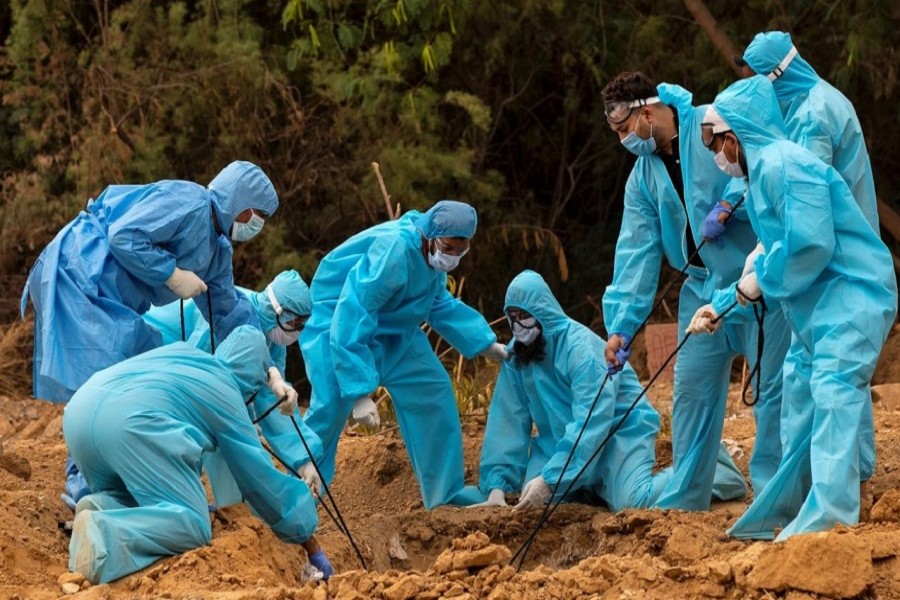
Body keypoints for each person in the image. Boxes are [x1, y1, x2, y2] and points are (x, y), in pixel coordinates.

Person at [23, 161, 298, 510]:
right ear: (239, 204)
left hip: (112, 301)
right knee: (106, 378)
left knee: (149, 370)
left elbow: (231, 315)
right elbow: (124, 235)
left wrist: (271, 373)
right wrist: (171, 274)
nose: (255, 225)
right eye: (255, 215)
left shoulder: (217, 250)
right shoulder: (188, 201)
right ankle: (89, 489)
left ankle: (126, 477)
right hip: (82, 274)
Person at [699, 75, 897, 541]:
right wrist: (724, 303)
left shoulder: (785, 165)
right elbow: (773, 251)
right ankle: (789, 507)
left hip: (851, 294)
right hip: (817, 308)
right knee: (801, 393)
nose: (717, 154)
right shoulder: (766, 170)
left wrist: (753, 285)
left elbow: (808, 246)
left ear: (738, 134)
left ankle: (828, 524)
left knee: (832, 390)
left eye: (718, 141)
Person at [600, 72, 792, 510]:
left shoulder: (714, 122)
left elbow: (763, 157)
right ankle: (684, 503)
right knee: (691, 396)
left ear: (646, 111)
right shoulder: (643, 178)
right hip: (702, 289)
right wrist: (622, 327)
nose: (624, 140)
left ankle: (778, 500)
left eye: (625, 129)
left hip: (757, 281)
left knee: (771, 393)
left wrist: (731, 201)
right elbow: (636, 252)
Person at [64, 326, 331, 584]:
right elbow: (259, 479)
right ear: (251, 381)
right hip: (128, 428)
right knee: (192, 524)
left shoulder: (187, 355)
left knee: (140, 499)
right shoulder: (225, 389)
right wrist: (309, 541)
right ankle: (104, 533)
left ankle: (100, 506)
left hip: (79, 414)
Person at [300, 200, 508, 509]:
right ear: (430, 236)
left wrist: (484, 342)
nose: (451, 257)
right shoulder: (395, 251)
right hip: (338, 326)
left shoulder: (430, 259)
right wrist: (358, 392)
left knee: (432, 389)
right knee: (329, 408)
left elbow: (437, 303)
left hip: (395, 328)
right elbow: (356, 308)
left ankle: (444, 496)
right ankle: (297, 499)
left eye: (460, 252)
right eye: (448, 248)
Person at [475, 270, 670, 511]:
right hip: (559, 444)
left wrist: (551, 479)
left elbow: (592, 422)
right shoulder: (518, 356)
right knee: (533, 504)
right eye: (512, 317)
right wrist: (498, 486)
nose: (518, 325)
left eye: (524, 315)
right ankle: (588, 485)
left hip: (616, 435)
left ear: (542, 311)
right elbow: (507, 419)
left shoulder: (580, 351)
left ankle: (708, 467)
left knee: (633, 501)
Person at [143, 270, 324, 503]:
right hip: (152, 347)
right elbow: (197, 379)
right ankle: (172, 502)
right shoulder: (229, 314)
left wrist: (303, 458)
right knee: (196, 427)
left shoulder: (271, 337)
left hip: (182, 373)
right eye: (296, 322)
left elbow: (271, 397)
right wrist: (241, 418)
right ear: (277, 309)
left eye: (304, 323)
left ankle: (226, 509)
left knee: (226, 427)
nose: (298, 330)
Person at [732, 31, 878, 231]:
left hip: (840, 241)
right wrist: (730, 202)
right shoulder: (808, 100)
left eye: (755, 85)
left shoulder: (814, 117)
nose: (753, 95)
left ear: (777, 76)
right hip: (845, 233)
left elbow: (805, 194)